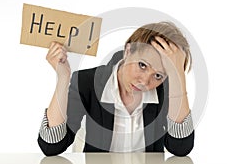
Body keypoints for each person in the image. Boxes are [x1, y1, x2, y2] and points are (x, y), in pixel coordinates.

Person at [38, 21, 195, 156]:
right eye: (142, 65)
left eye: (158, 75)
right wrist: (63, 78)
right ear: (128, 51)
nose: (145, 82)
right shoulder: (87, 82)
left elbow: (180, 147)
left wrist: (178, 75)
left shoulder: (166, 91)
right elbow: (52, 145)